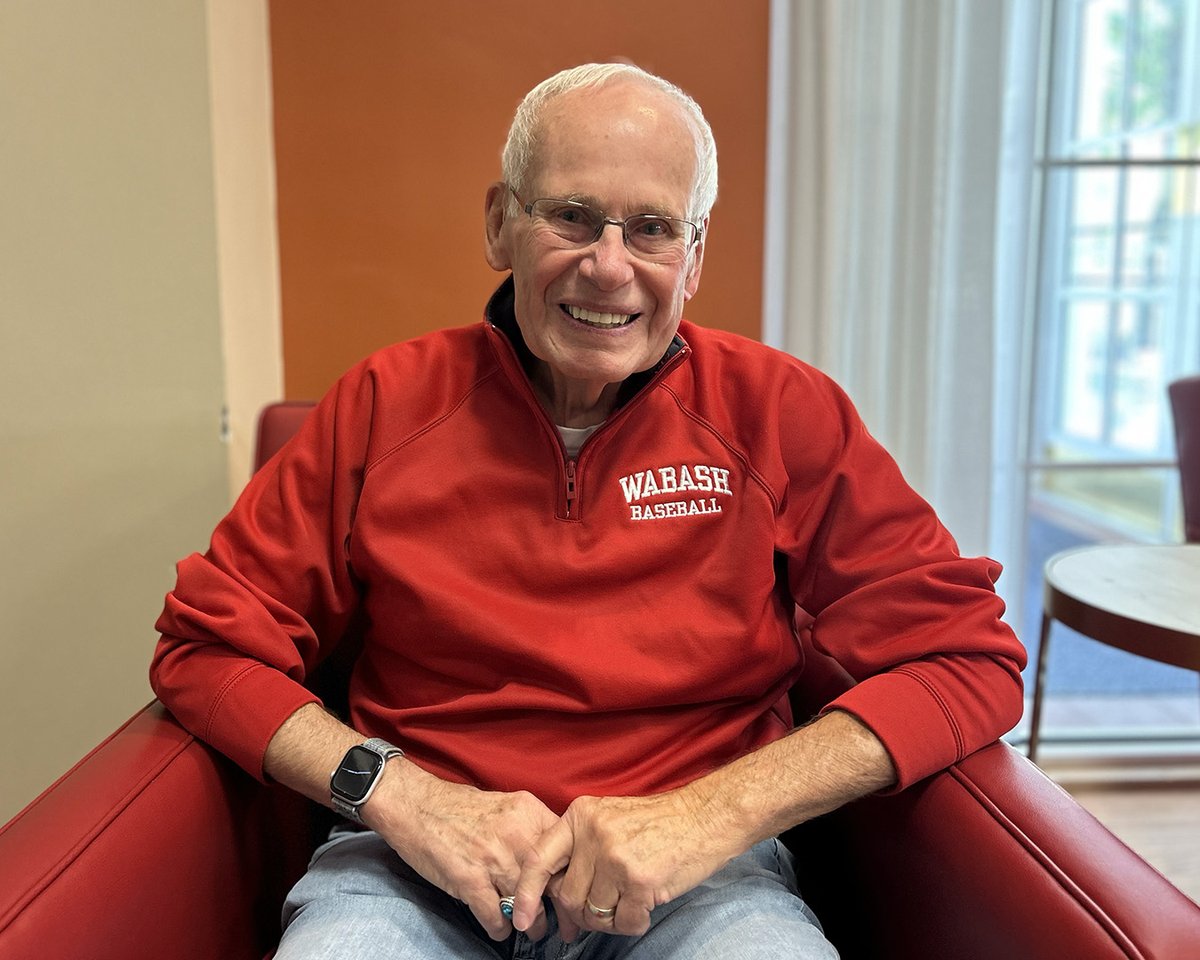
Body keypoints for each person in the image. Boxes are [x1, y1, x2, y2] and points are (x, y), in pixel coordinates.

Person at [151, 62, 1026, 959]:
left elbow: (967, 661)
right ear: (501, 223)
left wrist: (706, 816)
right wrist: (405, 799)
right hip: (408, 871)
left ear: (692, 259)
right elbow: (205, 648)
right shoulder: (383, 406)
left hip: (699, 884)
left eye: (652, 230)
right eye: (570, 216)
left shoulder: (782, 413)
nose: (609, 267)